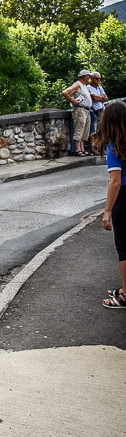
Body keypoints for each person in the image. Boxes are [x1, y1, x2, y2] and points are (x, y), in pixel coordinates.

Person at [95, 101, 126, 309]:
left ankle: (125, 294)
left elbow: (115, 181)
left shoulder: (114, 147)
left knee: (123, 247)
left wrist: (107, 211)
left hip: (124, 197)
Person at [62, 71, 93, 155]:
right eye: (88, 76)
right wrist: (73, 101)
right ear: (83, 76)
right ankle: (77, 149)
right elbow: (65, 92)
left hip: (86, 110)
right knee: (79, 128)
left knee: (85, 130)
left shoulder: (84, 86)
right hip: (80, 109)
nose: (89, 78)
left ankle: (82, 148)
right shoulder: (77, 84)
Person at [87, 71, 108, 153]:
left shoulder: (100, 88)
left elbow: (106, 98)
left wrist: (99, 97)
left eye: (99, 78)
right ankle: (93, 148)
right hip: (94, 111)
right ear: (92, 79)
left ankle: (100, 148)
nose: (98, 80)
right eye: (97, 78)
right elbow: (94, 99)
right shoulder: (88, 88)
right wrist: (101, 97)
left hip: (101, 110)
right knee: (94, 130)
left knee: (101, 130)